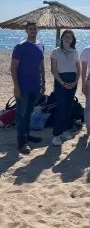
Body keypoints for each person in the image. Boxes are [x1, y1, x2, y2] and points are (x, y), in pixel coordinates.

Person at [11, 22, 45, 154]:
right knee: (21, 114)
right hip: (23, 86)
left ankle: (27, 135)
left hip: (36, 86)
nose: (33, 31)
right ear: (26, 31)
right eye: (30, 29)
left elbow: (41, 65)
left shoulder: (40, 45)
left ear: (38, 30)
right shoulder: (20, 47)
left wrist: (43, 82)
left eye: (35, 29)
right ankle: (21, 142)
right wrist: (16, 86)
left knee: (29, 113)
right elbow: (13, 68)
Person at [51, 30, 80, 146]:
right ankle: (56, 135)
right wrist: (62, 83)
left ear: (73, 39)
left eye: (70, 37)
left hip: (73, 81)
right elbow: (53, 70)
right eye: (65, 37)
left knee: (68, 106)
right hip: (60, 81)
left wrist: (76, 81)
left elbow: (78, 69)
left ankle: (63, 130)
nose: (67, 39)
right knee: (61, 107)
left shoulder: (75, 52)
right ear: (62, 38)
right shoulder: (56, 51)